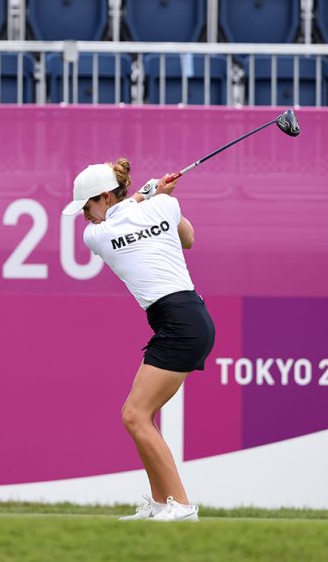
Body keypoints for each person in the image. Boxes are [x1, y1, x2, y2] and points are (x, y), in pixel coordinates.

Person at [62, 159, 216, 522]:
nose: (86, 217)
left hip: (180, 323)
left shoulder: (98, 234)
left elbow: (144, 222)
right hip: (188, 319)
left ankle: (180, 505)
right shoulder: (163, 206)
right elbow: (188, 238)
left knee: (135, 416)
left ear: (103, 197)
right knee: (137, 416)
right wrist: (155, 199)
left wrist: (146, 198)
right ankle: (163, 505)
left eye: (87, 207)